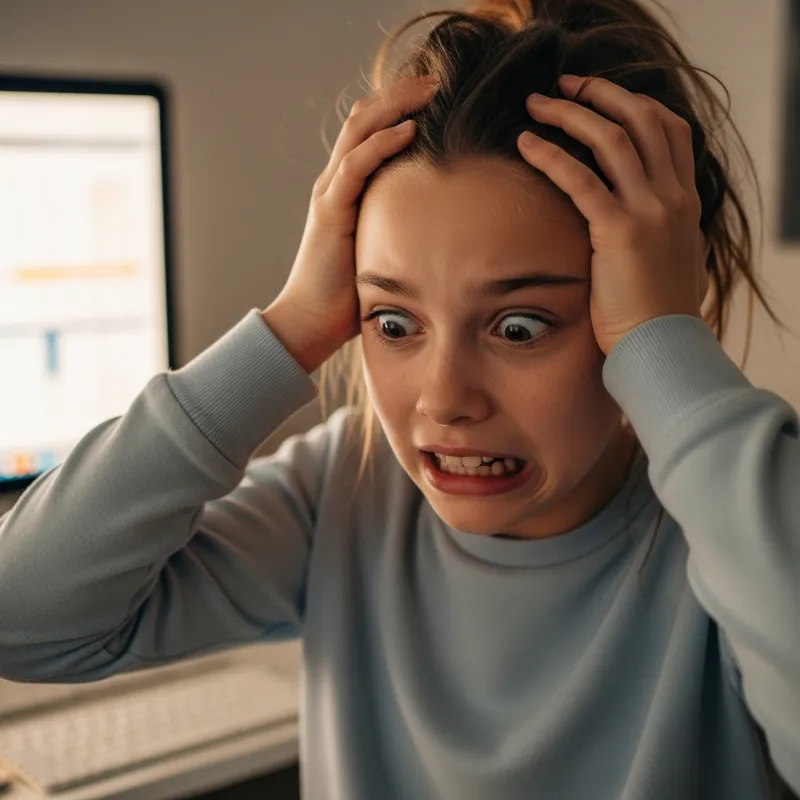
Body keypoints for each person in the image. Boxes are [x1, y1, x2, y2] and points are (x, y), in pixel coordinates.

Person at [0, 0, 797, 797]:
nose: (444, 400)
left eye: (519, 327)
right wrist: (287, 329)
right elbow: (22, 620)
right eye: (393, 320)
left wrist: (668, 348)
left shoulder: (732, 531)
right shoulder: (342, 490)